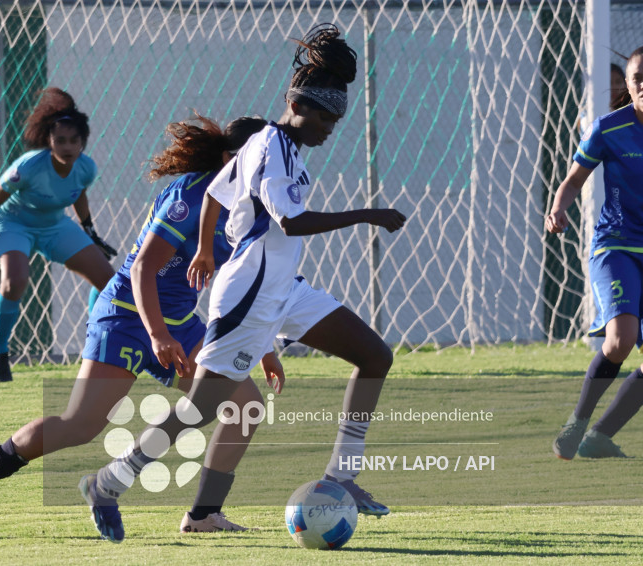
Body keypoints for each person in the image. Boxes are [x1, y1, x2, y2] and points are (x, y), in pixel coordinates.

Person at [88, 23, 407, 541]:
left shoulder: (269, 144)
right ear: (300, 106)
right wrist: (367, 214)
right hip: (251, 295)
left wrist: (208, 248)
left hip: (283, 288)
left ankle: (341, 479)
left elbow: (216, 193)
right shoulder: (275, 147)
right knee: (206, 408)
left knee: (374, 356)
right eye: (327, 117)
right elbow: (289, 222)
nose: (331, 128)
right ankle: (112, 479)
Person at [0, 114, 279, 540]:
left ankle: (203, 514)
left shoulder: (254, 206)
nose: (270, 169)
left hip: (179, 322)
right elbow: (142, 270)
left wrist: (264, 347)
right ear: (232, 158)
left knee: (244, 404)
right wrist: (157, 334)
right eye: (262, 158)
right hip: (125, 314)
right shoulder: (190, 197)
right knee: (81, 425)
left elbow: (247, 282)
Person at [0, 87, 117, 382]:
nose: (67, 146)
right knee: (14, 282)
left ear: (82, 142)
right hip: (12, 223)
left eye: (73, 140)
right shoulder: (28, 166)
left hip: (55, 224)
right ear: (49, 141)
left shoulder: (86, 168)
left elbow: (78, 195)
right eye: (60, 140)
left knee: (109, 281)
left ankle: (93, 352)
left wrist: (90, 231)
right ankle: (0, 352)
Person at [548, 46, 643, 460]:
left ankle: (599, 438)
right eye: (639, 78)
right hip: (617, 245)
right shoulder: (609, 128)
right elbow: (572, 181)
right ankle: (578, 424)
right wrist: (557, 208)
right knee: (621, 339)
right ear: (628, 84)